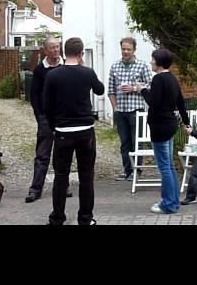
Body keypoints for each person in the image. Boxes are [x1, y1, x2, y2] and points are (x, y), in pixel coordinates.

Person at [43, 37, 105, 225]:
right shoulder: (87, 73)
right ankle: (85, 219)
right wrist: (85, 68)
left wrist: (55, 126)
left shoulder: (53, 75)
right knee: (86, 175)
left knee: (61, 176)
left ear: (63, 51)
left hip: (63, 130)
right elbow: (100, 90)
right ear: (81, 54)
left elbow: (47, 106)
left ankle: (57, 218)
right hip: (85, 130)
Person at [136, 48, 189, 214]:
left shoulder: (158, 79)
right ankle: (173, 200)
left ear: (158, 63)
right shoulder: (172, 78)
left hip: (160, 125)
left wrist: (142, 90)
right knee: (170, 165)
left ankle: (168, 204)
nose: (151, 62)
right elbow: (180, 102)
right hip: (170, 124)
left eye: (152, 60)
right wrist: (186, 122)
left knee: (164, 166)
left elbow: (154, 101)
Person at [25, 36, 72, 202]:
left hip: (63, 117)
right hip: (46, 117)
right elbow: (34, 95)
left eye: (58, 47)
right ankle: (35, 188)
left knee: (63, 154)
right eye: (52, 48)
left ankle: (63, 186)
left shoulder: (67, 66)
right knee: (42, 155)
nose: (56, 50)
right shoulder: (40, 70)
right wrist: (39, 115)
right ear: (45, 50)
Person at [108, 37, 152, 181]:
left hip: (136, 109)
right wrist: (115, 108)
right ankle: (126, 169)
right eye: (123, 49)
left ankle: (137, 170)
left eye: (128, 49)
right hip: (120, 110)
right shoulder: (115, 66)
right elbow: (110, 90)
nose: (125, 51)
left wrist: (134, 88)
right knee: (124, 142)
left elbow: (151, 86)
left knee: (136, 141)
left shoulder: (142, 66)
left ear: (134, 50)